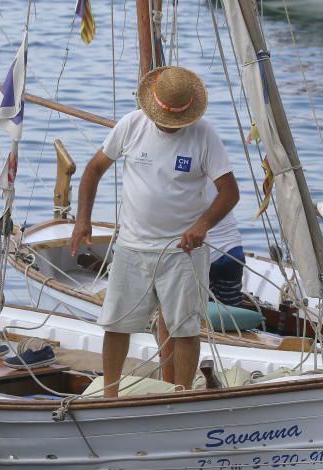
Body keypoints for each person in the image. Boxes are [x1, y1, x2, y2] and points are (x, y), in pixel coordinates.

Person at [70, 65, 239, 397]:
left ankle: (181, 394)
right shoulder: (131, 125)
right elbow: (93, 169)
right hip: (132, 247)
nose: (169, 126)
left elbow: (229, 191)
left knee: (184, 328)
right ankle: (110, 394)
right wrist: (82, 219)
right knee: (116, 324)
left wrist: (201, 227)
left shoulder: (205, 135)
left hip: (182, 251)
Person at [157, 181, 243, 385]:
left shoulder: (179, 176)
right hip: (232, 253)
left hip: (195, 254)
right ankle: (227, 371)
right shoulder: (218, 170)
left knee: (174, 320)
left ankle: (174, 385)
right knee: (229, 323)